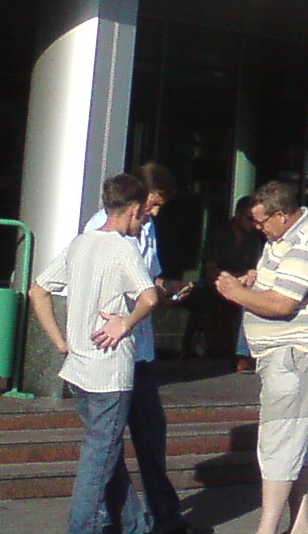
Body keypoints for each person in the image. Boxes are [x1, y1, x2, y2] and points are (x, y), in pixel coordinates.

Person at [28, 173, 163, 534]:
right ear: (133, 209)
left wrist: (60, 342)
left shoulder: (81, 243)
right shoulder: (123, 248)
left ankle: (136, 525)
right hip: (109, 374)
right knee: (98, 461)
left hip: (77, 370)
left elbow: (37, 291)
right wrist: (126, 322)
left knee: (106, 455)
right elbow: (149, 296)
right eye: (143, 215)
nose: (145, 222)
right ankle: (82, 528)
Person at [214, 181, 308, 534]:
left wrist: (237, 293)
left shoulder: (304, 243)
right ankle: (300, 524)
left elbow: (283, 304)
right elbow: (279, 287)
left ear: (282, 215)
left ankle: (267, 528)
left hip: (295, 354)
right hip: (285, 353)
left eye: (261, 220)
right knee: (294, 439)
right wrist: (255, 281)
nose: (258, 227)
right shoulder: (281, 239)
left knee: (278, 441)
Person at [82, 163, 193, 534]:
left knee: (150, 434)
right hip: (111, 350)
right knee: (107, 445)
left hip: (140, 350)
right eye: (153, 204)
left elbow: (151, 280)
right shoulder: (103, 231)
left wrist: (169, 288)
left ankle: (163, 517)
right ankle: (118, 520)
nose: (154, 213)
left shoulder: (147, 229)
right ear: (136, 199)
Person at [204, 194, 265, 370]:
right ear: (237, 215)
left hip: (244, 286)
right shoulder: (220, 234)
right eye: (249, 219)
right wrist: (235, 278)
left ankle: (251, 352)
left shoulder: (254, 238)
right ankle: (241, 354)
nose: (253, 224)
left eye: (255, 220)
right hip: (217, 286)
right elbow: (210, 270)